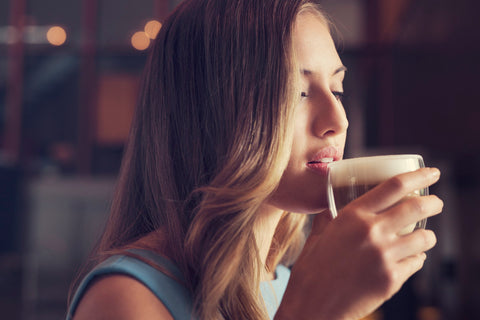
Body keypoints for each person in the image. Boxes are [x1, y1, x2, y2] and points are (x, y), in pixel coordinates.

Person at [67, 0, 443, 319]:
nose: (338, 121)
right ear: (210, 110)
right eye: (297, 92)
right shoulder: (125, 300)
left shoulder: (283, 284)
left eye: (337, 89)